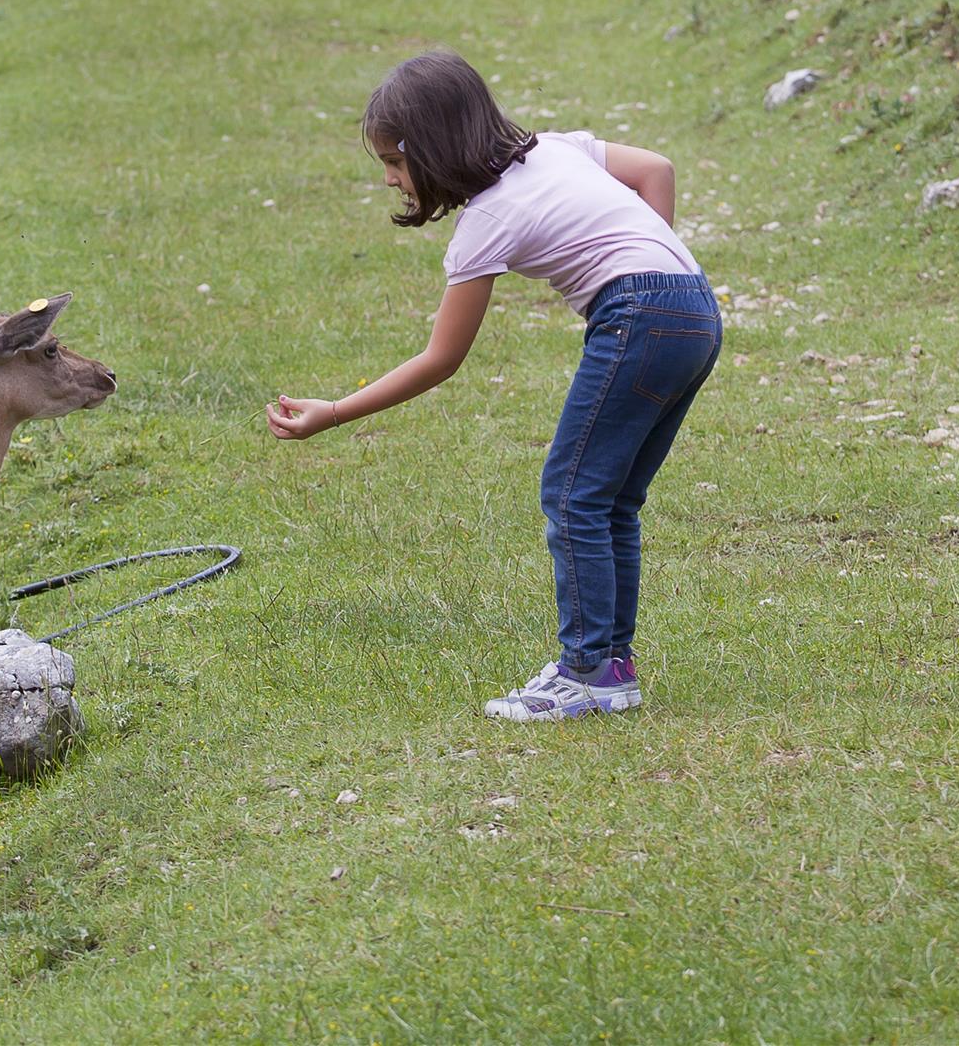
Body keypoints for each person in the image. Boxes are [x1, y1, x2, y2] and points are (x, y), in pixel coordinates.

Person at [266, 50, 721, 723]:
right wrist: (651, 261)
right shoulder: (559, 151)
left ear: (430, 150)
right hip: (694, 306)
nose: (391, 179)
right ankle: (610, 667)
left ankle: (588, 670)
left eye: (394, 163)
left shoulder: (486, 220)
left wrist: (335, 411)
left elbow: (440, 359)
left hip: (645, 314)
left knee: (570, 493)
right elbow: (657, 170)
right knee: (610, 498)